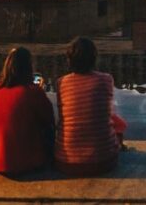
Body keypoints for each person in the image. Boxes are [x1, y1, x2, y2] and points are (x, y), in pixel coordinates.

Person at [0, 47, 55, 175]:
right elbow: (49, 118)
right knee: (48, 129)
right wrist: (39, 93)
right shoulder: (33, 92)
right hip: (24, 163)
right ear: (28, 67)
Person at [54, 37, 126, 176]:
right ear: (94, 58)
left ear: (69, 60)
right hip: (104, 162)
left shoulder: (61, 82)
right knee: (117, 124)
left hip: (65, 162)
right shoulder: (106, 79)